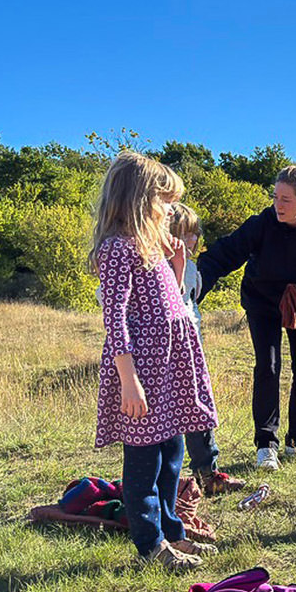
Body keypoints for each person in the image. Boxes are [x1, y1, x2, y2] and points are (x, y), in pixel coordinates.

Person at [90, 152, 220, 570]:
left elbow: (171, 303)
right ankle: (151, 546)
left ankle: (173, 532)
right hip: (143, 371)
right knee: (145, 463)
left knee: (172, 455)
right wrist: (129, 381)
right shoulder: (117, 249)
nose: (170, 210)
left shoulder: (152, 248)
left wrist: (178, 266)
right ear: (139, 200)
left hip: (168, 370)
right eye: (164, 201)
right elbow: (115, 319)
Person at [196, 163, 296, 471]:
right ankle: (266, 445)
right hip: (262, 302)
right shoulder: (261, 224)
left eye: (286, 199)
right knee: (268, 367)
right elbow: (223, 255)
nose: (278, 205)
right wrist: (193, 287)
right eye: (275, 197)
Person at [168, 203, 244, 497]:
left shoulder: (192, 270)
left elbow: (191, 306)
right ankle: (167, 480)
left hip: (191, 350)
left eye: (195, 233)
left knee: (198, 410)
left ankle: (207, 475)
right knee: (167, 417)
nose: (193, 239)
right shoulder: (152, 268)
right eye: (186, 233)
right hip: (162, 353)